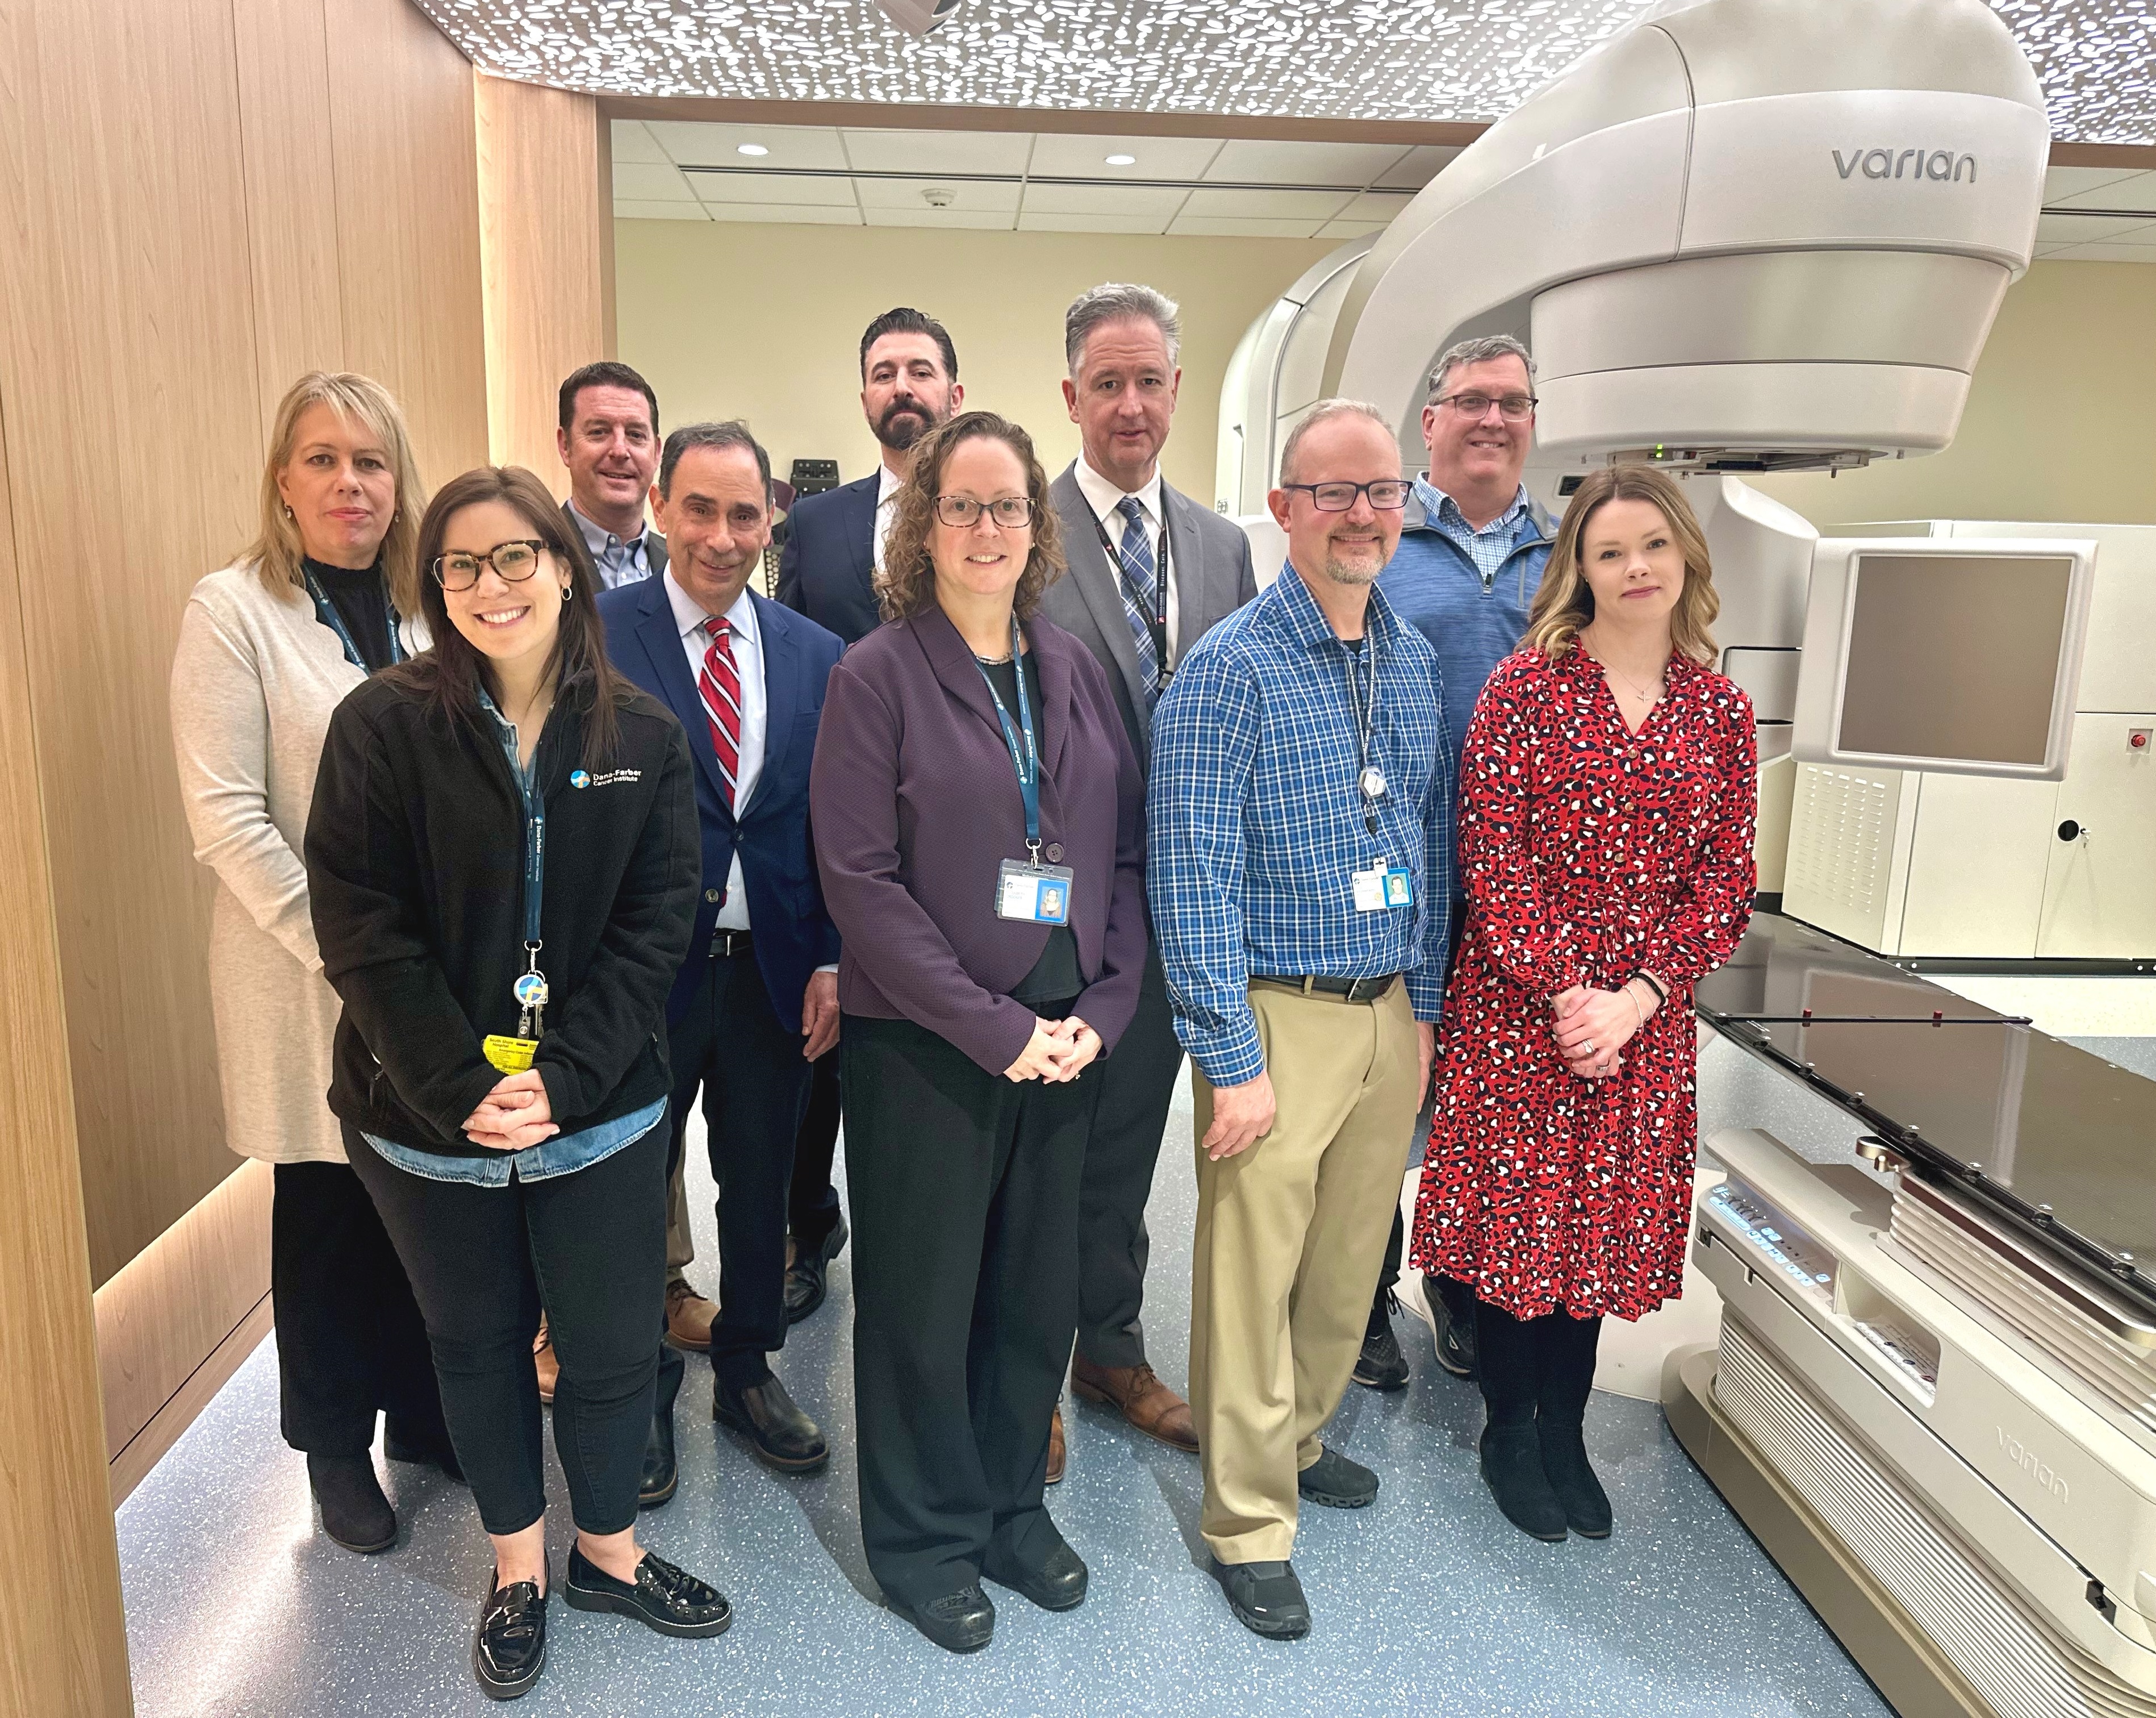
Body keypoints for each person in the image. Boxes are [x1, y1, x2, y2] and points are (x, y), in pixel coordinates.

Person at [307, 465, 727, 1700]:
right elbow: (360, 924)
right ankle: (518, 1568)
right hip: (424, 1119)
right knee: (478, 1343)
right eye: (460, 564)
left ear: (563, 566)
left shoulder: (641, 735)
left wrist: (571, 1076)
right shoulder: (381, 727)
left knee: (610, 1345)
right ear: (435, 585)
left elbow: (659, 923)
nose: (489, 585)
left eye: (514, 557)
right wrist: (454, 1082)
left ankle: (608, 1551)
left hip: (600, 1112)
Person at [810, 411, 1146, 1654]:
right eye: (962, 504)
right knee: (923, 1300)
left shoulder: (1072, 667)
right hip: (929, 1048)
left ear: (1036, 524)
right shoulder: (877, 675)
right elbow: (860, 883)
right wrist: (991, 1024)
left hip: (1067, 1041)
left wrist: (1104, 1008)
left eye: (1008, 504)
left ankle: (1010, 1508)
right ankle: (923, 1538)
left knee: (1032, 1294)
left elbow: (1121, 853)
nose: (987, 526)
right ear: (925, 523)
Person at [1149, 400, 1453, 1641]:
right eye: (1333, 493)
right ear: (1282, 509)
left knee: (1345, 1265)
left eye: (1381, 491)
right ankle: (1246, 1519)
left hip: (1386, 1011)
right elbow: (1191, 876)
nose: (1360, 514)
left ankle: (1304, 1436)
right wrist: (1228, 1057)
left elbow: (1425, 841)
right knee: (1251, 1276)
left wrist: (1424, 1012)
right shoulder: (1226, 671)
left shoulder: (1412, 658)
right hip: (1276, 1015)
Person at [1411, 465, 1756, 1546]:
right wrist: (1571, 995)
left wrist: (1638, 998)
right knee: (1517, 1230)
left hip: (1643, 1023)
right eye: (1610, 551)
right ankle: (1508, 1427)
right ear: (1580, 569)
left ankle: (1564, 1427)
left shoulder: (1720, 710)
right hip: (1526, 1009)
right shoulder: (1526, 688)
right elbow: (1494, 857)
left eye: (1652, 545)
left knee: (1598, 1232)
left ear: (1685, 555)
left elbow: (1725, 880)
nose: (1636, 566)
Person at [169, 370, 454, 1557]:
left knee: (429, 1201)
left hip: (433, 980)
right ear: (282, 481)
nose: (350, 482)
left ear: (399, 482)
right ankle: (334, 1445)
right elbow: (227, 818)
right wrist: (354, 958)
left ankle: (426, 1413)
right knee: (331, 1211)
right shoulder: (233, 611)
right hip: (305, 977)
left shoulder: (435, 605)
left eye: (371, 461)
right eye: (323, 459)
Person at [598, 422, 843, 1477]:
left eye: (745, 514)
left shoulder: (815, 654)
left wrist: (833, 957)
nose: (721, 535)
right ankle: (642, 1384)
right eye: (699, 508)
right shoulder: (597, 634)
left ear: (770, 522)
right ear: (660, 507)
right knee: (631, 1190)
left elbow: (839, 825)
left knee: (759, 1184)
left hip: (774, 970)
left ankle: (746, 1366)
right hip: (642, 976)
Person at [1039, 282, 1257, 1468]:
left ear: (1177, 391)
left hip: (1180, 909)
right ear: (1070, 396)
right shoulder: (1019, 531)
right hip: (1053, 911)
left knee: (1125, 1147)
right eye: (1106, 383)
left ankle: (1109, 1346)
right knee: (1041, 1148)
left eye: (1149, 381)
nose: (1129, 403)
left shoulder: (1222, 547)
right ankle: (1028, 1366)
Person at [1360, 333, 1560, 1392]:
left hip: (1525, 880)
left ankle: (1463, 1281)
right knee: (1382, 1088)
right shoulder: (1383, 536)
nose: (1492, 418)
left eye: (1513, 402)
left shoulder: (1568, 555)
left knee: (1490, 1099)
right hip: (1397, 866)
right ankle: (1361, 1293)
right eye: (1472, 400)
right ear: (1429, 420)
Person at [774, 306, 964, 1330]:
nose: (903, 387)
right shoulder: (815, 526)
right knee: (820, 1046)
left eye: (920, 370)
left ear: (953, 394)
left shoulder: (986, 515)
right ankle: (809, 1227)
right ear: (863, 397)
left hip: (956, 825)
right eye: (885, 371)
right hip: (838, 817)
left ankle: (929, 1239)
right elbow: (793, 667)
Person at [559, 360, 670, 591]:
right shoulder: (535, 559)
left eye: (636, 435)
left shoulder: (682, 567)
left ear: (657, 452)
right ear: (565, 446)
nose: (620, 451)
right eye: (599, 432)